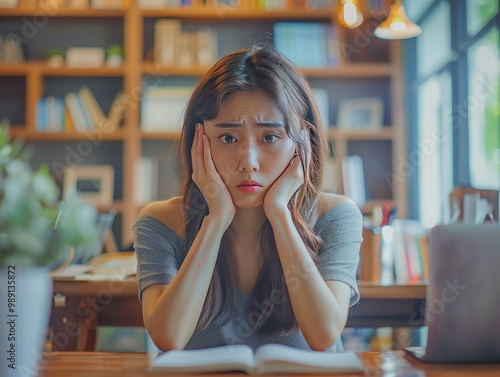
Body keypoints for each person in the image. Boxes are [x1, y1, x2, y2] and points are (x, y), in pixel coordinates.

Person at [133, 46, 363, 353]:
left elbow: (323, 335)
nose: (248, 162)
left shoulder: (336, 215)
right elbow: (168, 337)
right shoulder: (160, 222)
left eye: (269, 137)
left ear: (302, 144)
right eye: (228, 138)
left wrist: (279, 214)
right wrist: (215, 221)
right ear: (197, 142)